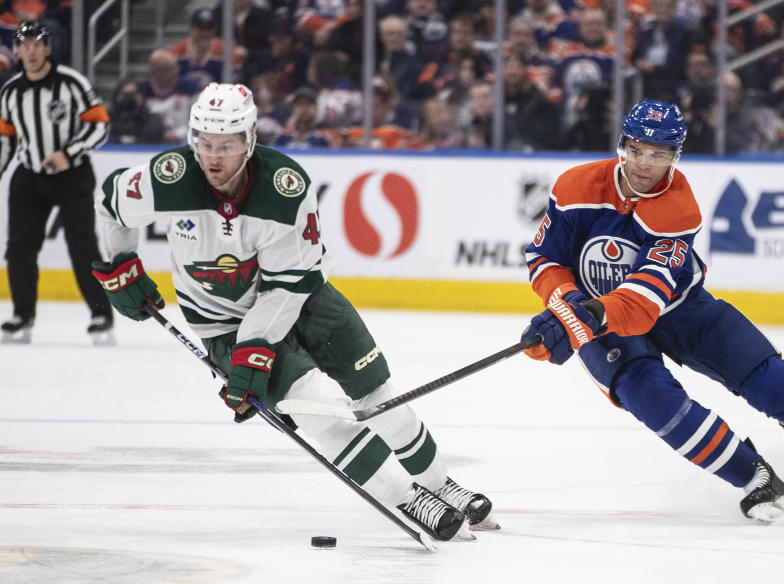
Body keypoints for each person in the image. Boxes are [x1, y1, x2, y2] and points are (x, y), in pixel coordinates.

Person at [89, 82, 495, 542]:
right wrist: (121, 263)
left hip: (304, 300)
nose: (213, 157)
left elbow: (285, 288)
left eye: (226, 145)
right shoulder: (169, 178)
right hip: (223, 322)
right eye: (204, 143)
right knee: (321, 409)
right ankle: (410, 498)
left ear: (250, 140)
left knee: (378, 396)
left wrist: (255, 353)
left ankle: (442, 485)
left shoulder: (284, 190)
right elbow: (110, 201)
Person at [520, 98, 784, 522]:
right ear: (622, 145)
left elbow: (647, 296)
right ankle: (752, 475)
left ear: (675, 156)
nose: (644, 163)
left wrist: (585, 315)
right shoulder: (575, 187)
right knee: (651, 399)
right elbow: (544, 258)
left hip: (680, 307)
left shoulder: (678, 207)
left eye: (659, 154)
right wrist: (565, 302)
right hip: (601, 322)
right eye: (637, 149)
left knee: (772, 379)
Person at [0, 20, 113, 344]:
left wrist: (68, 152)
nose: (31, 52)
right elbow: (6, 141)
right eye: (25, 46)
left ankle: (100, 313)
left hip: (72, 175)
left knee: (82, 246)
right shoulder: (10, 92)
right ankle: (22, 314)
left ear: (48, 48)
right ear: (17, 51)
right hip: (29, 177)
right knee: (19, 248)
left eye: (37, 45)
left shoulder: (71, 83)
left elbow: (99, 125)